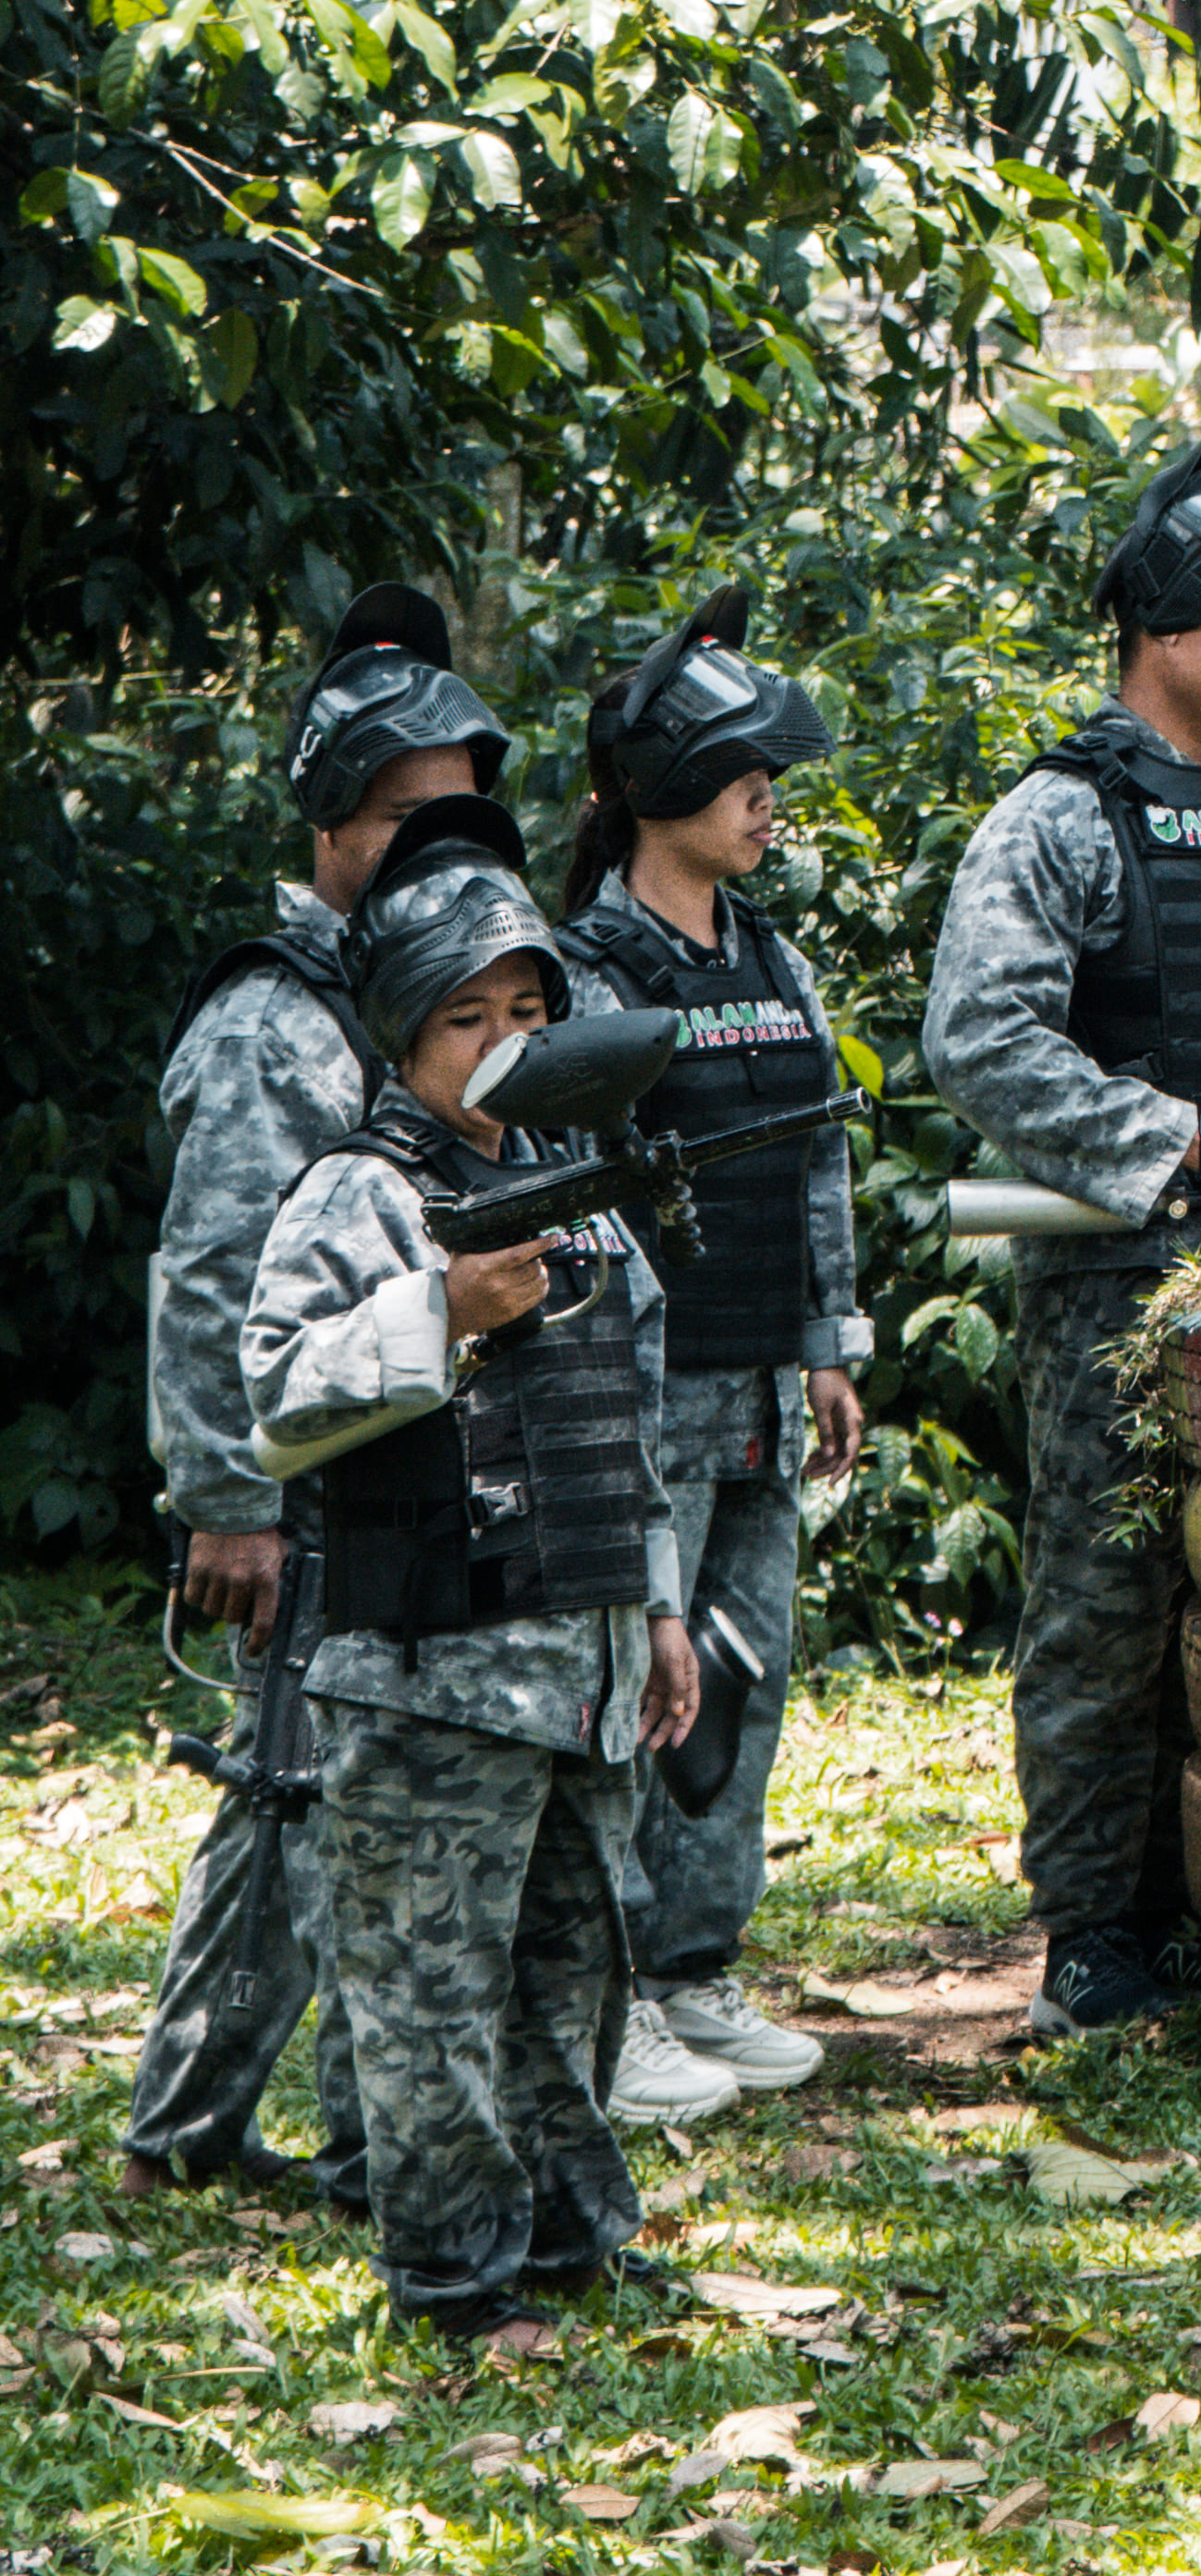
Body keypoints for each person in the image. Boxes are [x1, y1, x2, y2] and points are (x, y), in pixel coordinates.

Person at [242, 796, 699, 2338]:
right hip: (432, 1671)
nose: (501, 1043)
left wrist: (660, 1609)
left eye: (528, 1011)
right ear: (400, 1032)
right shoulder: (357, 1193)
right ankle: (451, 2270)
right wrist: (441, 1315)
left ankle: (573, 2237)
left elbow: (628, 1416)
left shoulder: (575, 1185)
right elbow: (283, 1392)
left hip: (576, 1664)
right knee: (430, 1996)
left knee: (575, 1976)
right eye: (466, 1017)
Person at [924, 416, 1201, 2038]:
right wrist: (1181, 1146)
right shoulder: (1063, 819)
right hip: (1119, 1281)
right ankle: (1096, 1929)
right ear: (1172, 627)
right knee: (1108, 1612)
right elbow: (981, 1038)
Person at [121, 585, 506, 2207]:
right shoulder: (278, 1016)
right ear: (336, 826)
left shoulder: (422, 991)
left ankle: (366, 2137)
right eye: (409, 812)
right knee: (283, 1802)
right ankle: (183, 2135)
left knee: (377, 1813)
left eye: (462, 813)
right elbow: (210, 1275)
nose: (439, 843)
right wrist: (226, 1502)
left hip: (407, 1472)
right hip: (303, 1480)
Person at [556, 588, 868, 2127]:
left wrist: (827, 1346)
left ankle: (693, 1972)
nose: (768, 801)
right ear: (661, 792)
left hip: (757, 1383)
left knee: (737, 1688)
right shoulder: (588, 969)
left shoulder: (766, 952)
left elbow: (812, 1157)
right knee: (635, 1688)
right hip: (645, 1398)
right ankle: (601, 2000)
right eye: (744, 775)